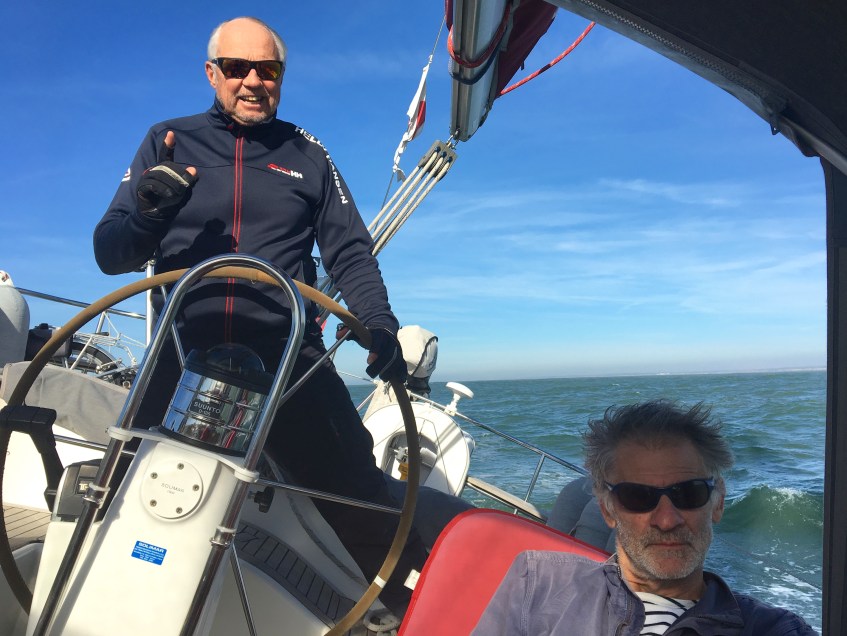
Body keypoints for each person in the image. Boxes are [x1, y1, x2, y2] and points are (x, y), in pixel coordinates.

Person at [93, 16, 427, 617]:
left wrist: (378, 322)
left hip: (287, 358)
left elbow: (349, 251)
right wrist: (149, 213)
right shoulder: (168, 140)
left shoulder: (308, 154)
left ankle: (424, 613)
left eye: (267, 69)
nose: (253, 81)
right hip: (180, 355)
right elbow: (110, 254)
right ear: (211, 73)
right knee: (116, 493)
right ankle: (102, 604)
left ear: (281, 76)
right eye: (237, 68)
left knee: (362, 497)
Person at [472, 399, 817, 635]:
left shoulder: (776, 629)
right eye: (637, 497)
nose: (666, 520)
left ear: (718, 502)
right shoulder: (537, 583)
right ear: (607, 509)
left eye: (689, 493)